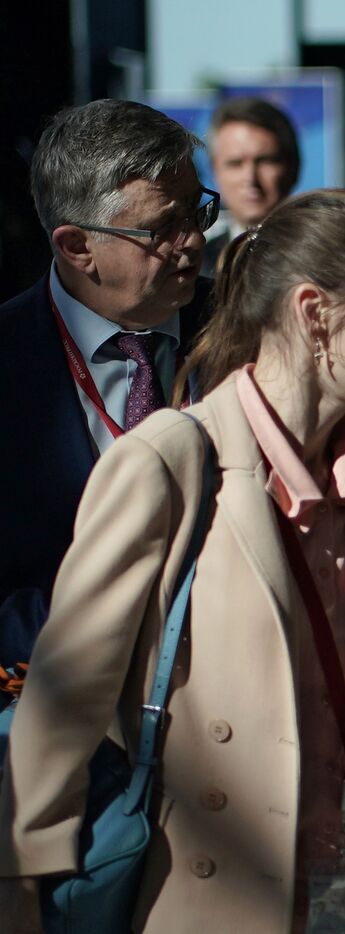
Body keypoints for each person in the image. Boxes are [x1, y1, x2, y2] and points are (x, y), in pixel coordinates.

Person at [0, 190, 345, 932]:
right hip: (227, 899)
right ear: (315, 314)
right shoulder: (170, 461)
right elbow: (67, 696)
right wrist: (22, 878)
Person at [0, 99, 215, 681]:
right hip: (58, 696)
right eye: (163, 228)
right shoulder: (11, 362)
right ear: (76, 246)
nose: (193, 241)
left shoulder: (249, 331)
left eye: (197, 211)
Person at [202, 96, 300, 276]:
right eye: (235, 163)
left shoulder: (323, 258)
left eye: (265, 161)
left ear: (294, 167)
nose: (250, 178)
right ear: (214, 172)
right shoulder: (196, 265)